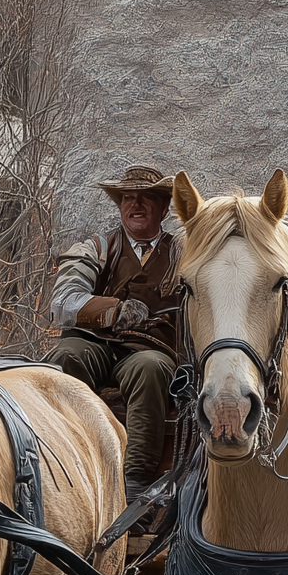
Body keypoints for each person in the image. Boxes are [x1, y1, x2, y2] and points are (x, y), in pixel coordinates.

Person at [49, 163, 182, 500]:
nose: (135, 204)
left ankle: (134, 482)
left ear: (164, 207)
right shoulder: (96, 248)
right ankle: (62, 463)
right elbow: (62, 302)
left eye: (146, 197)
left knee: (151, 369)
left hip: (150, 350)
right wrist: (114, 310)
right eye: (127, 198)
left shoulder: (185, 254)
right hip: (95, 345)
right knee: (65, 357)